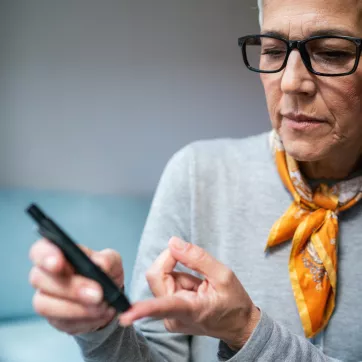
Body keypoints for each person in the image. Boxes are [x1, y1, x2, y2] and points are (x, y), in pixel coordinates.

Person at [28, 0, 362, 360]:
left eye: (331, 52)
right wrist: (102, 328)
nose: (292, 82)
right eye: (273, 50)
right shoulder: (196, 173)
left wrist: (246, 330)